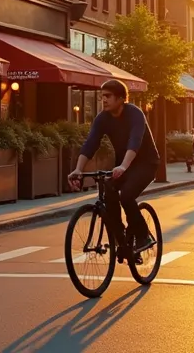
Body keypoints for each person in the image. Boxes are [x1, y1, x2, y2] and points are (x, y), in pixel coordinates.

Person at [68, 79, 160, 256]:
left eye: (108, 96)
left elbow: (135, 141)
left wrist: (124, 166)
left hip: (146, 164)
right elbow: (91, 143)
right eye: (102, 96)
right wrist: (78, 169)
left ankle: (143, 236)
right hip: (123, 165)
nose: (104, 100)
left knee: (126, 196)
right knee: (108, 190)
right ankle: (121, 237)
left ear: (121, 98)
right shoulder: (103, 118)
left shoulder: (135, 114)